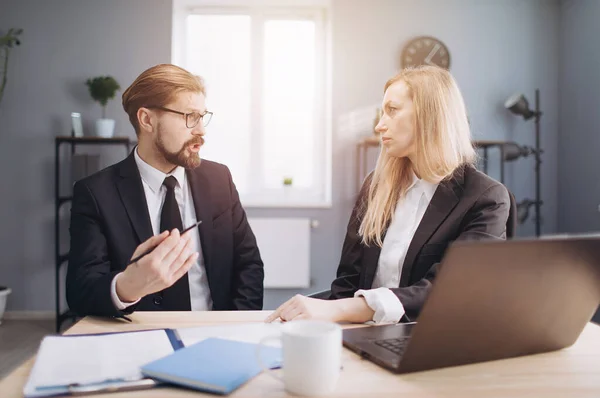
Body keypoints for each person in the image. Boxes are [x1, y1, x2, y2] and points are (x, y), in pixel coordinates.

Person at [266, 65, 510, 324]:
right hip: (363, 335)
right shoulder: (375, 186)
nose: (380, 126)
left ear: (430, 116)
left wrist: (341, 310)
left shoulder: (486, 198)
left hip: (431, 343)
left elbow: (451, 290)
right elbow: (348, 283)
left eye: (392, 111)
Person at [67, 64, 264, 318]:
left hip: (214, 333)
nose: (201, 130)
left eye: (202, 117)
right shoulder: (95, 193)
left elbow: (248, 265)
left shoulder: (219, 180)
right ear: (147, 120)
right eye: (189, 117)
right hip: (136, 339)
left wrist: (235, 328)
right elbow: (80, 292)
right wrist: (128, 285)